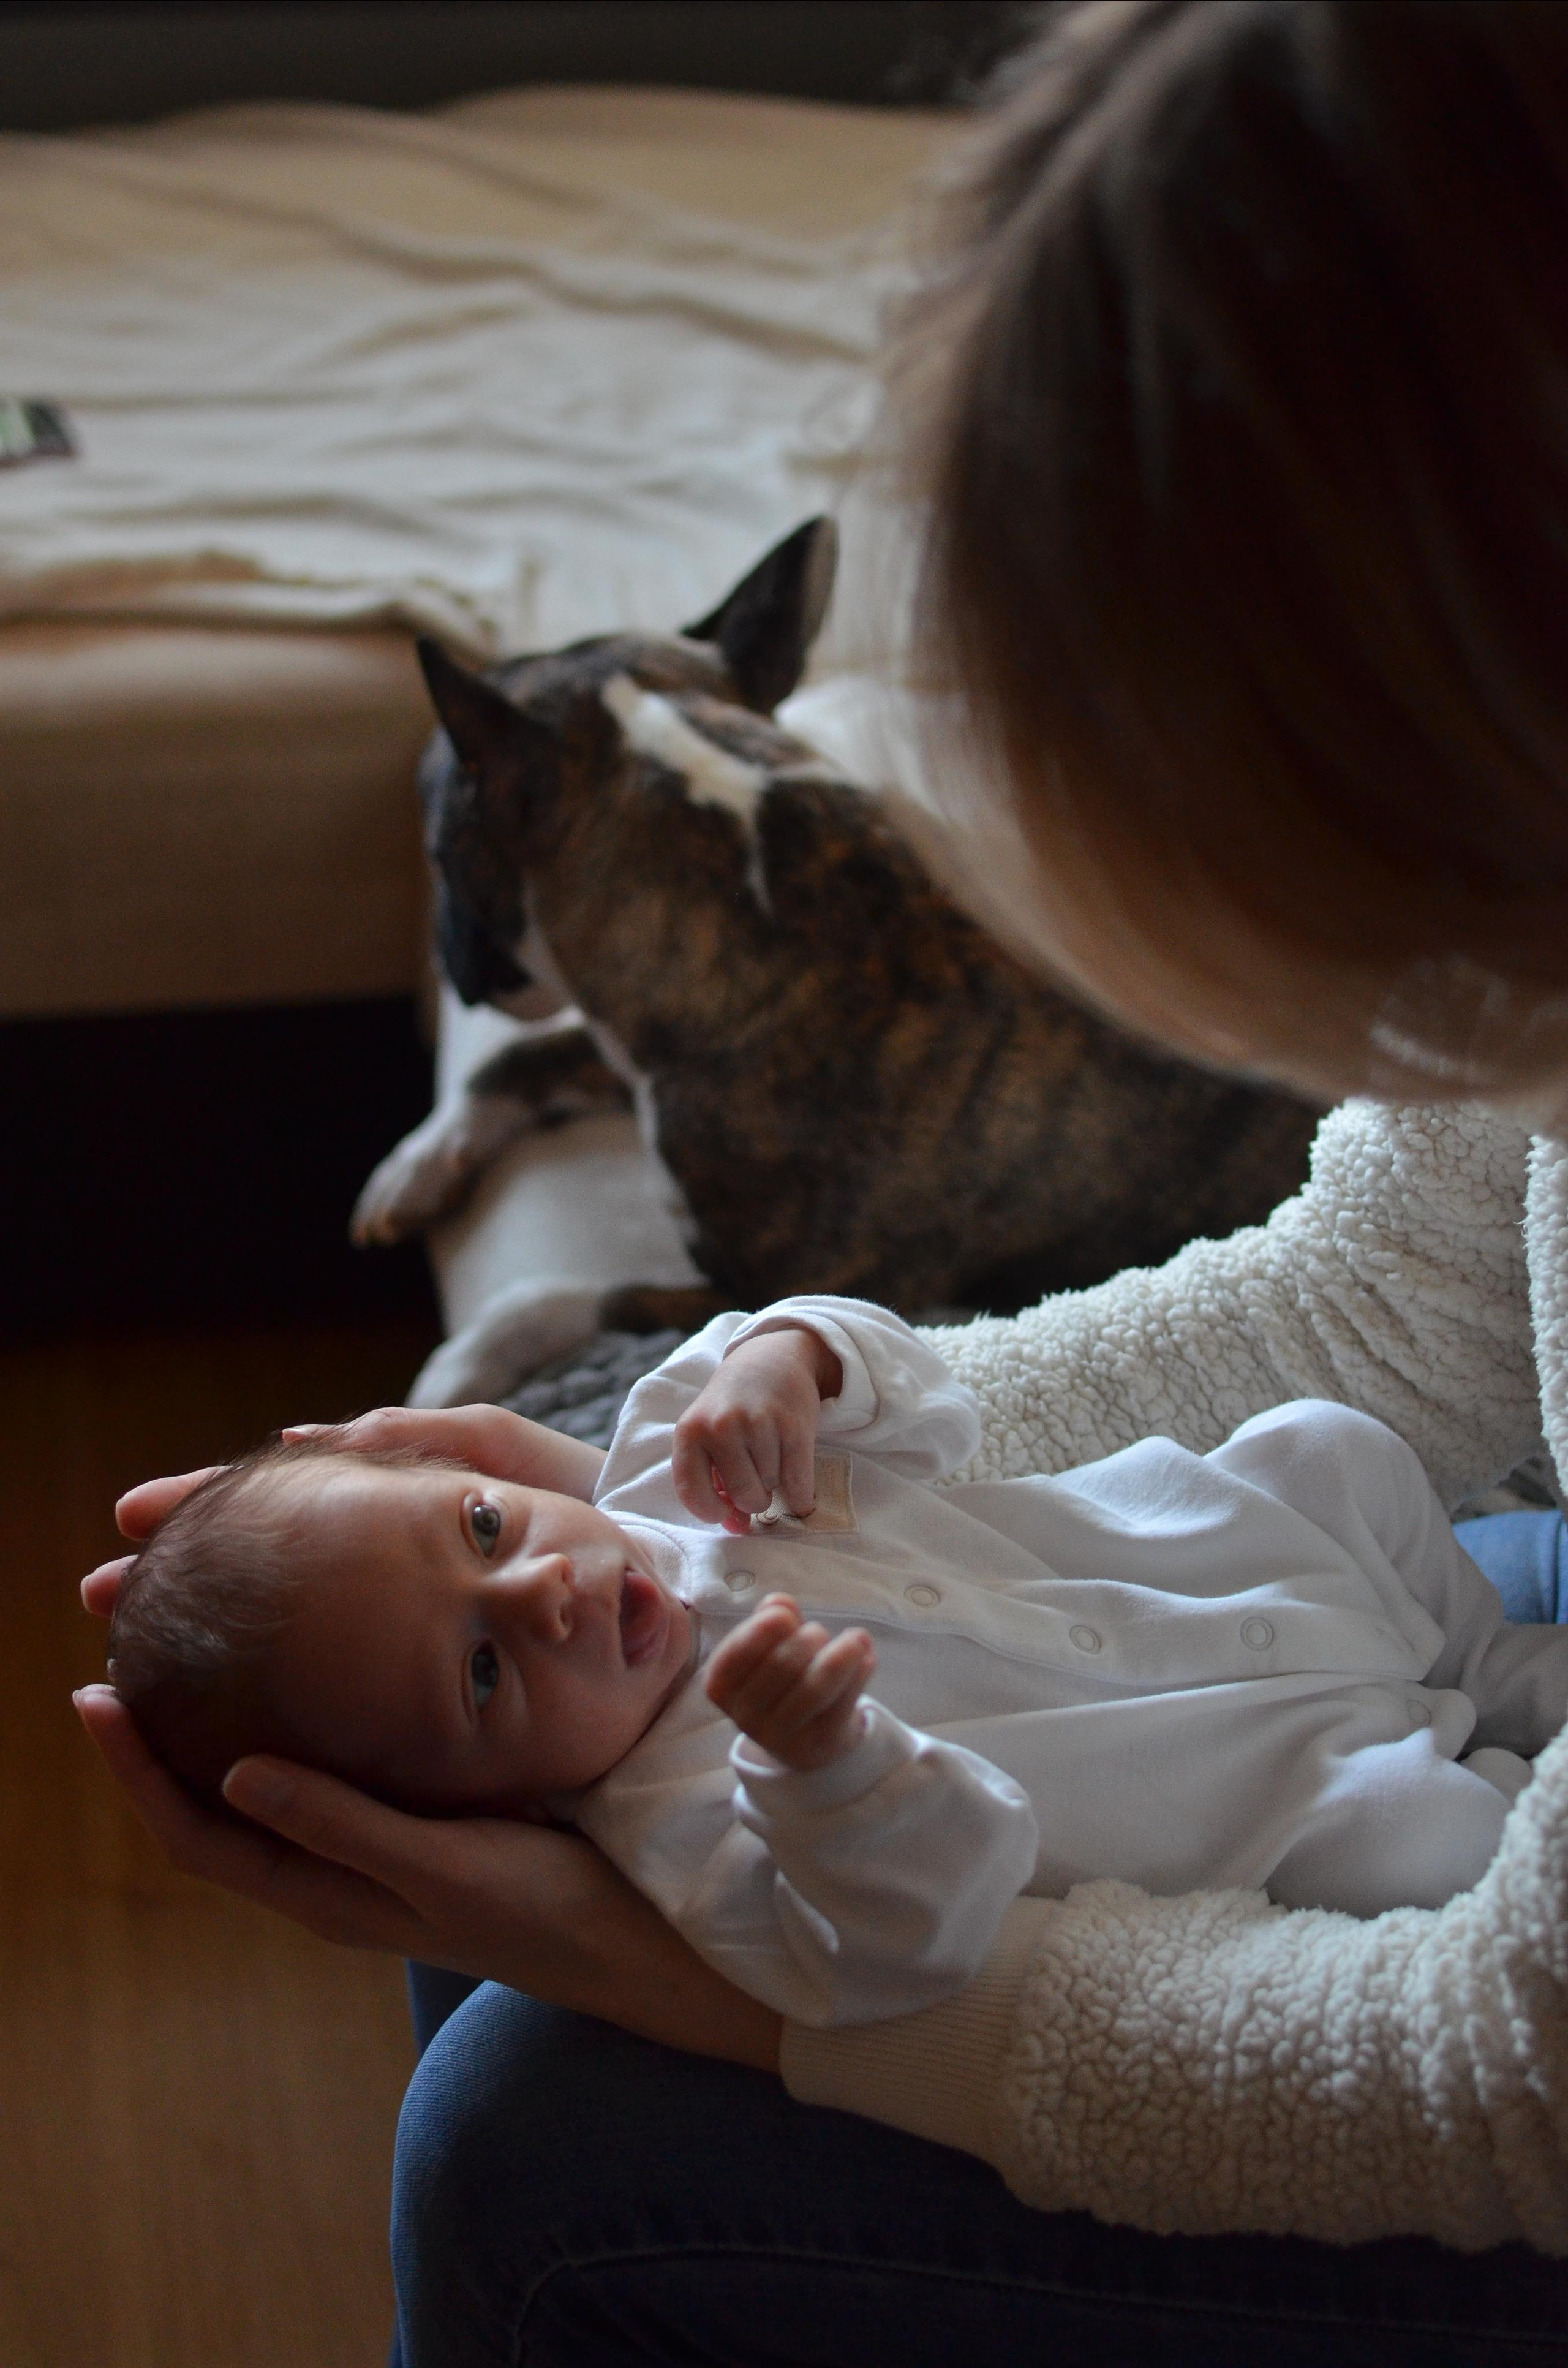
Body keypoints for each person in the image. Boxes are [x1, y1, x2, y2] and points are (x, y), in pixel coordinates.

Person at [74, 4, 1568, 2358]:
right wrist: (726, 1390)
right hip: (1315, 1676)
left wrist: (675, 1972)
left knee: (517, 2142)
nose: (554, 1576)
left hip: (1455, 1973)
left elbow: (1502, 2072)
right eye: (486, 1615)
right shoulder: (1516, 965)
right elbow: (1403, 1297)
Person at [108, 1298, 1568, 2029]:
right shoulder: (685, 1826)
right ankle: (1502, 1754)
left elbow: (916, 1388)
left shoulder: (662, 1461)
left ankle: (1501, 1672)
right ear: (470, 1818)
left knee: (1334, 1451)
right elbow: (901, 1948)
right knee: (1423, 1838)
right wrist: (830, 1773)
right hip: (1287, 1791)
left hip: (1229, 1561)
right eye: (483, 1675)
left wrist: (786, 1362)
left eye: (481, 1526)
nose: (545, 1590)